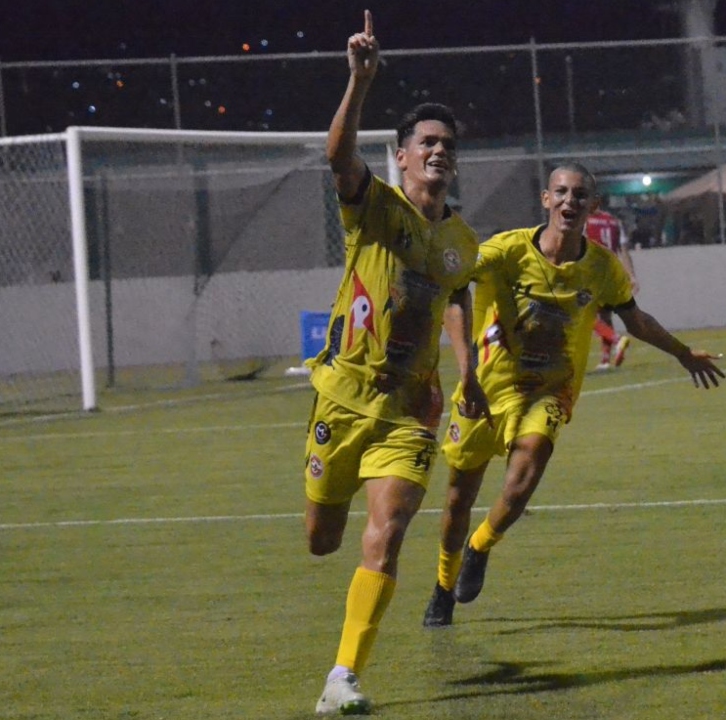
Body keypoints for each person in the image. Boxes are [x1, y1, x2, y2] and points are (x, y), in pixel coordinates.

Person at [422, 162, 725, 627]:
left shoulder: (601, 268)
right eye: (561, 193)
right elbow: (452, 286)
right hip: (486, 391)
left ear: (593, 206)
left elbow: (634, 319)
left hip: (549, 392)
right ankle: (443, 586)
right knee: (457, 501)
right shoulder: (506, 251)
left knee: (528, 468)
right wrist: (463, 369)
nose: (570, 201)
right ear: (546, 200)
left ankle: (480, 545)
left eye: (580, 195)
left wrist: (683, 353)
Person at [305, 11, 491, 715]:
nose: (438, 151)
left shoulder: (461, 243)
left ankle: (343, 674)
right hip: (341, 398)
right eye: (426, 143)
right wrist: (359, 81)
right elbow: (336, 156)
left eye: (447, 144)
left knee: (385, 538)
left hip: (410, 413)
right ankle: (340, 512)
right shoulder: (373, 208)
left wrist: (467, 371)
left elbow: (454, 299)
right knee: (324, 541)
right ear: (403, 157)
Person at [584, 207, 638, 370]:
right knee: (605, 316)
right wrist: (632, 275)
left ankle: (617, 339)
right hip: (613, 274)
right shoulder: (614, 221)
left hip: (594, 274)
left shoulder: (584, 222)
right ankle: (605, 360)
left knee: (584, 315)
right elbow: (623, 250)